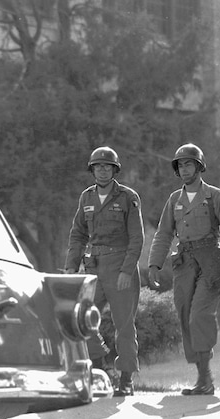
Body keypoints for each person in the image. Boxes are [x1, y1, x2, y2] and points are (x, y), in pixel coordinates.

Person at [147, 143, 220, 395]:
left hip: (211, 262)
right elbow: (163, 233)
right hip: (184, 263)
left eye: (189, 164)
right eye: (180, 165)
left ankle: (206, 378)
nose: (184, 170)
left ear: (199, 166)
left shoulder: (214, 195)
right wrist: (154, 263)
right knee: (184, 314)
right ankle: (201, 377)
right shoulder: (174, 199)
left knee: (199, 315)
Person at [64, 146, 144, 397]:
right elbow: (78, 234)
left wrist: (127, 271)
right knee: (82, 318)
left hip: (120, 265)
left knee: (124, 325)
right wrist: (70, 266)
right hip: (94, 266)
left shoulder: (127, 197)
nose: (102, 170)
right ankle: (99, 370)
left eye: (107, 166)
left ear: (114, 170)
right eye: (97, 166)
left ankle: (126, 379)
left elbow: (137, 238)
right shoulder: (86, 197)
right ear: (92, 170)